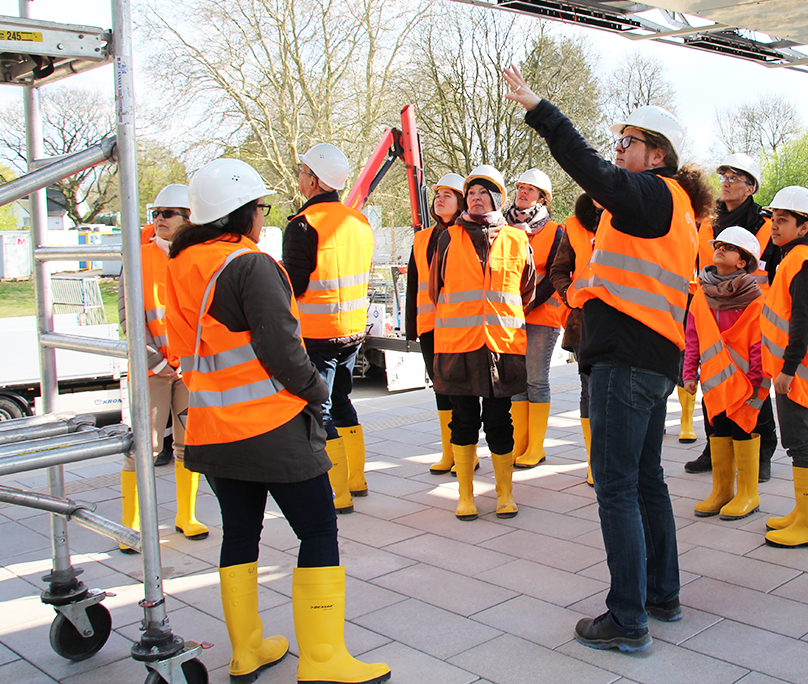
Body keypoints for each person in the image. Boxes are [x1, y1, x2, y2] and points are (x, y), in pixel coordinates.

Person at [504, 65, 714, 653]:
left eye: (628, 142)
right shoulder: (666, 204)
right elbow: (594, 200)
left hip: (627, 358)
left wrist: (542, 109)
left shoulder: (652, 194)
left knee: (618, 488)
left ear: (656, 155)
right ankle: (661, 595)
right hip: (651, 356)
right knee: (645, 481)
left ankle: (627, 619)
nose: (618, 150)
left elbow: (589, 170)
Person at [168, 158, 389, 684]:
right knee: (317, 530)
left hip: (212, 427)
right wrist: (318, 392)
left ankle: (247, 651)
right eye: (261, 208)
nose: (264, 218)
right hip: (272, 425)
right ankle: (322, 659)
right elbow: (284, 353)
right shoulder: (250, 265)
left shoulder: (182, 261)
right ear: (242, 213)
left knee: (240, 534)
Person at [430, 165, 534, 521]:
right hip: (458, 343)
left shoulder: (518, 240)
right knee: (462, 420)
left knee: (499, 421)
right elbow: (436, 285)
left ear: (497, 198)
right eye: (471, 193)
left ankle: (504, 493)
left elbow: (527, 290)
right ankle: (466, 496)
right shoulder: (447, 237)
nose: (475, 198)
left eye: (482, 193)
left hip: (501, 345)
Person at [282, 143, 375, 515]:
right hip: (352, 330)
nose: (301, 179)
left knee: (319, 409)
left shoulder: (302, 225)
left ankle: (338, 493)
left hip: (317, 331)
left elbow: (296, 283)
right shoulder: (359, 221)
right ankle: (357, 480)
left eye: (304, 173)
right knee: (342, 402)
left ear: (315, 180)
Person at [118, 184, 208, 552]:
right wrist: (157, 361)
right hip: (152, 369)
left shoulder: (197, 257)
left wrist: (189, 362)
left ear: (189, 219)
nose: (157, 220)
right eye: (155, 213)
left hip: (188, 369)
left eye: (166, 213)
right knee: (145, 445)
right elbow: (129, 318)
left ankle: (186, 516)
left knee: (189, 444)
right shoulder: (137, 258)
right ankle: (131, 524)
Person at [686, 153, 780, 482]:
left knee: (753, 388)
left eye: (734, 177)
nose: (725, 182)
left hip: (754, 318)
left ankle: (763, 448)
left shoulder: (768, 225)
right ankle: (716, 447)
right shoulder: (708, 222)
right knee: (714, 383)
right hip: (712, 313)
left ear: (751, 187)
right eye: (723, 176)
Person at [759, 187, 808, 549]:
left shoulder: (803, 261)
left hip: (799, 368)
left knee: (801, 440)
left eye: (783, 220)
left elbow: (804, 318)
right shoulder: (795, 257)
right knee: (802, 439)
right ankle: (805, 512)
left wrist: (789, 368)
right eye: (774, 219)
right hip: (794, 366)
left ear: (805, 226)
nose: (774, 226)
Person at [684, 226, 766, 521]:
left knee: (742, 431)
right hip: (715, 381)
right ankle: (722, 491)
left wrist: (757, 379)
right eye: (718, 245)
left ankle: (748, 493)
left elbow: (759, 340)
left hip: (746, 382)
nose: (719, 249)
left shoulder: (755, 297)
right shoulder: (701, 295)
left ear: (743, 262)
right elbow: (693, 337)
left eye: (728, 247)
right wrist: (689, 372)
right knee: (717, 430)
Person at [405, 173, 470, 475]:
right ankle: (450, 452)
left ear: (461, 202)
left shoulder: (469, 234)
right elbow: (413, 285)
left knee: (461, 390)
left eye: (448, 194)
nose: (440, 198)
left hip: (459, 324)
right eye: (438, 194)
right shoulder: (422, 238)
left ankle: (465, 448)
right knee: (440, 387)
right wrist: (411, 327)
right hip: (430, 324)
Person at [505, 168, 567, 469]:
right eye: (520, 188)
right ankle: (521, 442)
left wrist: (525, 303)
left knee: (536, 379)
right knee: (517, 381)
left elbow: (555, 275)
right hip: (510, 314)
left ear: (543, 197)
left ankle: (537, 447)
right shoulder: (504, 228)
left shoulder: (556, 231)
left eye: (530, 189)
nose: (523, 193)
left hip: (542, 313)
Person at [548, 192, 604, 486]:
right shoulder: (574, 226)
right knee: (590, 390)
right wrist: (569, 294)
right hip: (583, 322)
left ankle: (613, 458)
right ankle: (594, 462)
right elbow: (558, 270)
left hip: (622, 320)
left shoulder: (627, 219)